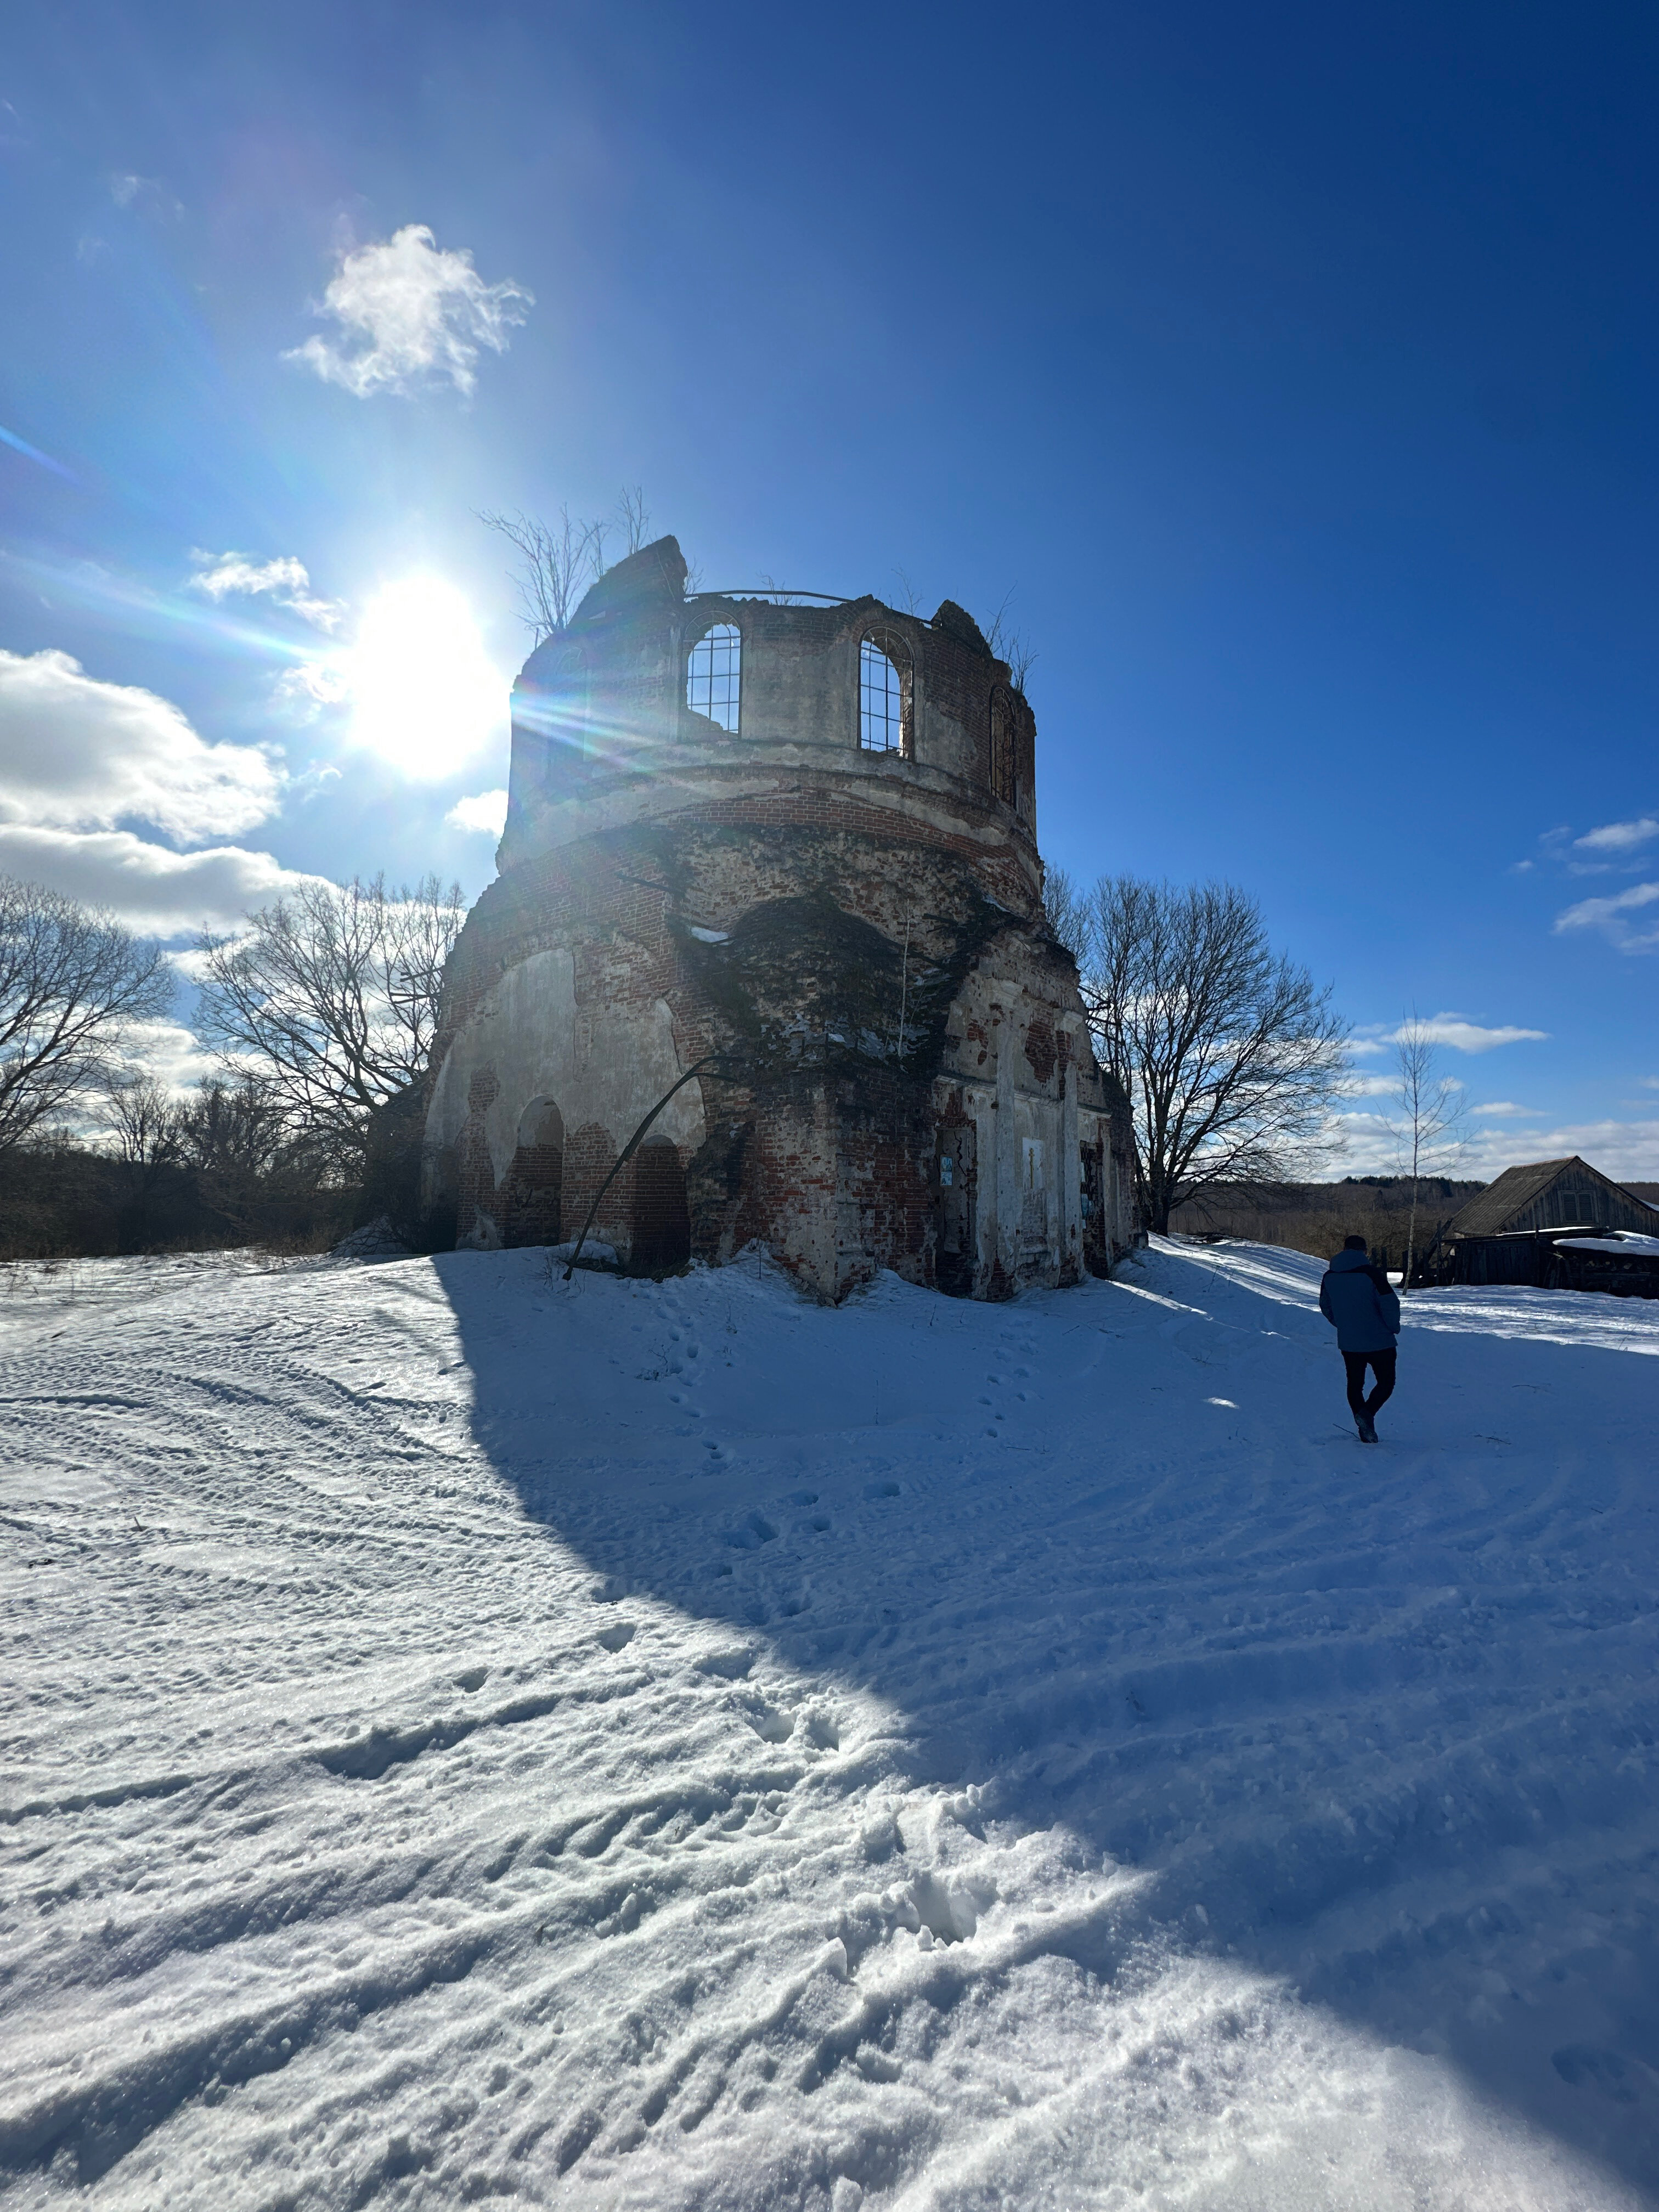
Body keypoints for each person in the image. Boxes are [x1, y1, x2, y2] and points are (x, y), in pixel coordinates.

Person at [1318, 1234, 1401, 1442]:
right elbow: (1390, 1302)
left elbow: (1325, 1306)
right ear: (1365, 1251)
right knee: (1386, 1383)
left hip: (1350, 1342)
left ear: (1344, 1249)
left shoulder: (1330, 1276)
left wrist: (1345, 1325)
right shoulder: (1372, 1274)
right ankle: (1367, 1414)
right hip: (1380, 1340)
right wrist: (1392, 1327)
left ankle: (1365, 1429)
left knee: (1355, 1385)